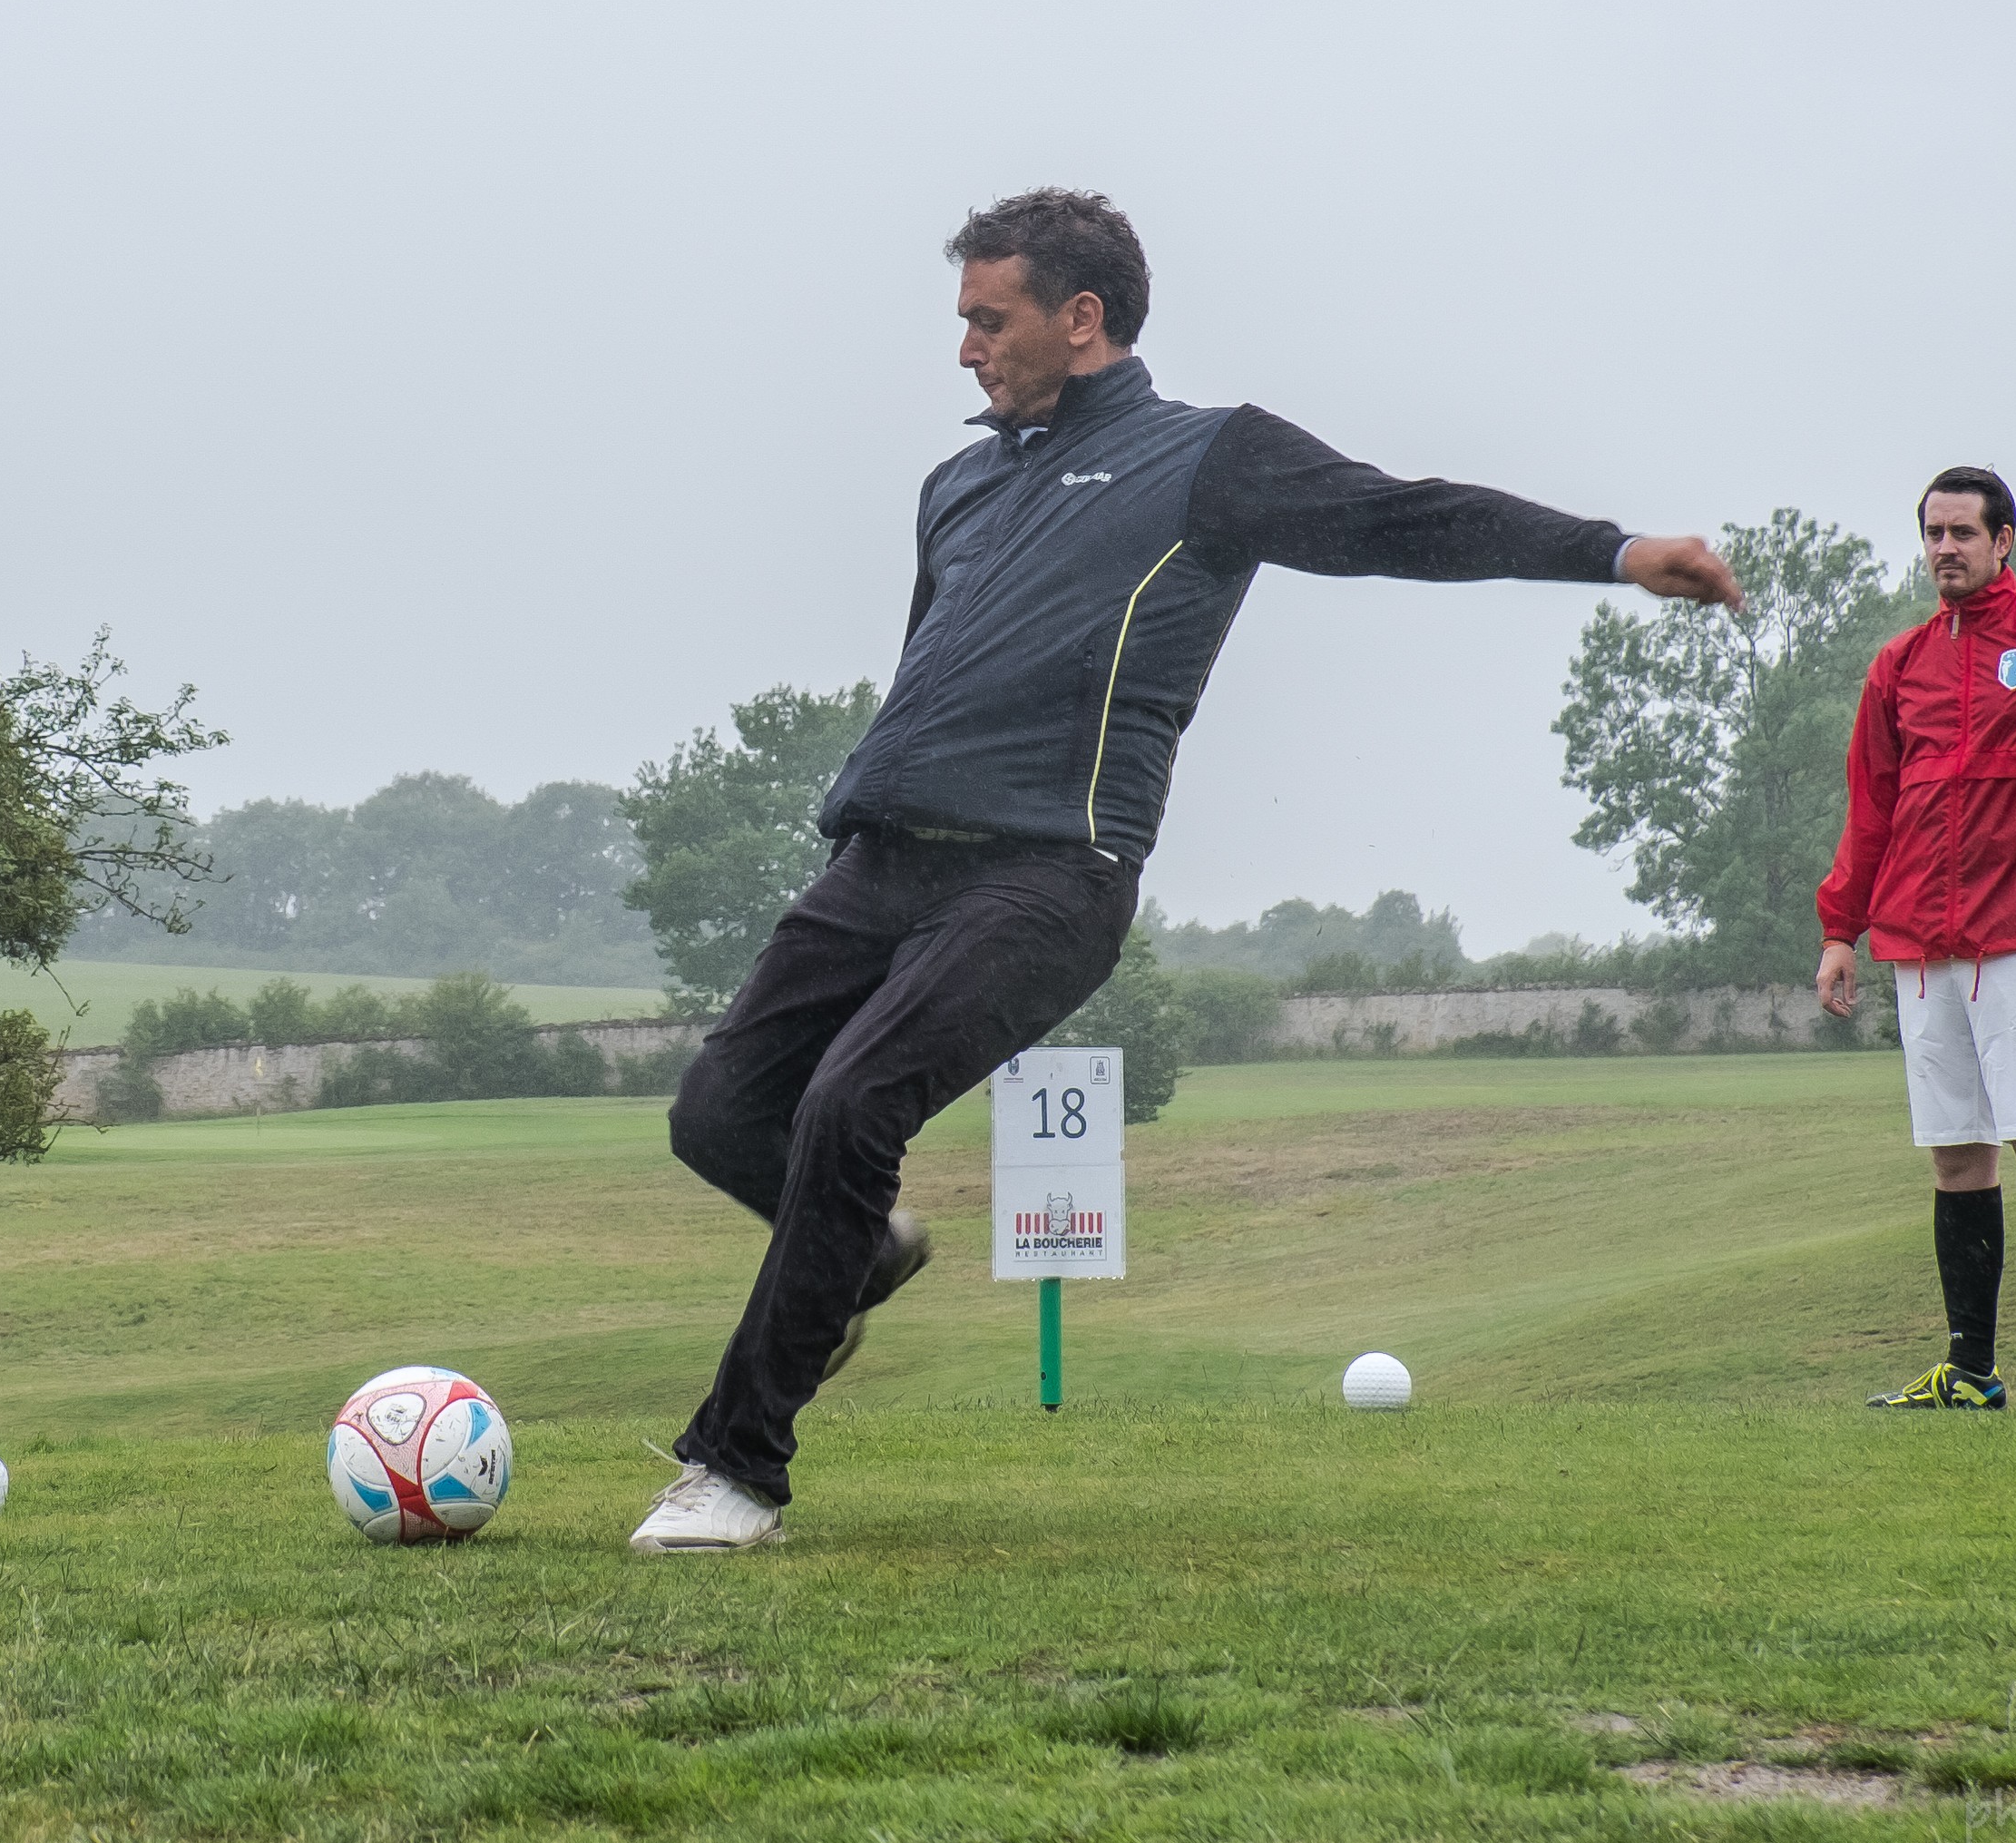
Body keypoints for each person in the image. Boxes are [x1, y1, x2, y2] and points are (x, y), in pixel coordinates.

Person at [627, 188, 1745, 1554]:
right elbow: (933, 667)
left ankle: (734, 1466)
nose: (965, 349)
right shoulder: (955, 486)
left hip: (1049, 872)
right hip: (881, 858)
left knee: (850, 1102)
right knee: (716, 1113)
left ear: (1079, 316)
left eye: (988, 319)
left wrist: (1613, 552)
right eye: (961, 320)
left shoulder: (1207, 458)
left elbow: (1402, 518)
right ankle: (854, 1253)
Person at [1815, 466, 2016, 1416]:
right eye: (1932, 533)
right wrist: (1840, 928)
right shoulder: (1898, 664)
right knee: (1956, 1154)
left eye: (1962, 532)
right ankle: (1969, 1369)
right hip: (1920, 946)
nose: (1944, 548)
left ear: (2003, 540)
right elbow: (1870, 807)